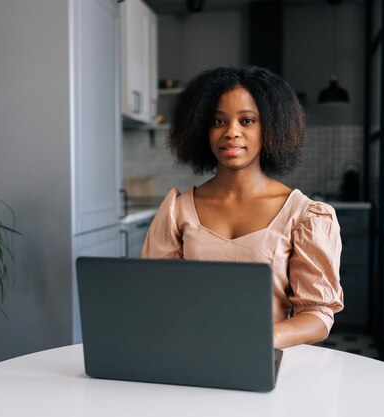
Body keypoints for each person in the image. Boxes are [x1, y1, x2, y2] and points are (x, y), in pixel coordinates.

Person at [141, 66, 344, 349]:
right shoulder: (177, 210)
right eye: (218, 121)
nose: (231, 132)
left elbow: (318, 314)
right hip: (190, 356)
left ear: (271, 127)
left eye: (247, 120)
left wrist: (265, 338)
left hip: (267, 362)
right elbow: (157, 297)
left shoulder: (305, 215)